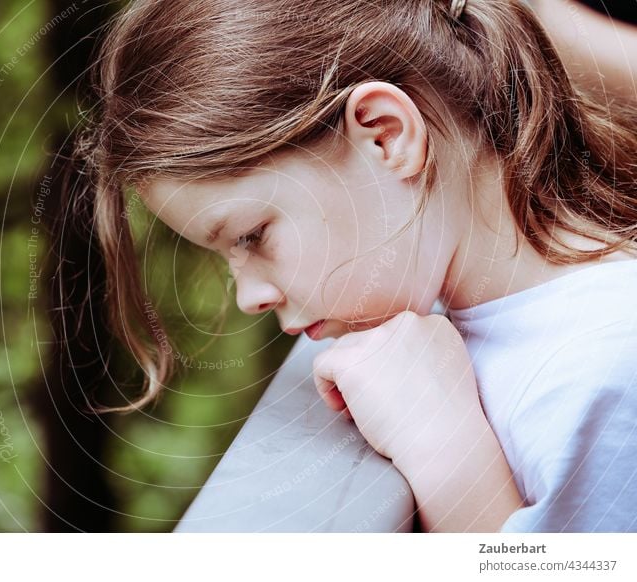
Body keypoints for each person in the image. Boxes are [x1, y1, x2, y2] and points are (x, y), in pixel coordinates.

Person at [75, 0, 637, 532]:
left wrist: (444, 448)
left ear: (385, 136)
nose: (249, 297)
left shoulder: (606, 370)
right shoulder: (482, 316)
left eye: (251, 235)